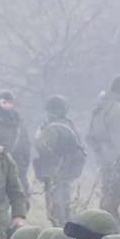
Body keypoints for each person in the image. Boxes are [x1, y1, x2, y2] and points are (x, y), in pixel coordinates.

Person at [33, 95, 86, 227]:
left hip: (54, 172)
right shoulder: (68, 125)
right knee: (65, 202)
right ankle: (68, 231)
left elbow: (42, 147)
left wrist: (38, 137)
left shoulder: (52, 127)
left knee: (55, 207)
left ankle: (61, 233)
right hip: (66, 172)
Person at [86, 75, 120, 221]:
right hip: (113, 157)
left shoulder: (102, 104)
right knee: (114, 192)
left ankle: (105, 221)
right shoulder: (116, 108)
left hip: (103, 155)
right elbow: (119, 139)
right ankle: (108, 224)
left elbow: (92, 133)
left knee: (108, 190)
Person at [0, 90, 32, 198]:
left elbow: (26, 144)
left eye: (10, 103)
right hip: (0, 169)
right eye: (4, 102)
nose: (7, 106)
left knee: (23, 202)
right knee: (1, 203)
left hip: (19, 168)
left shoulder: (20, 122)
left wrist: (24, 164)